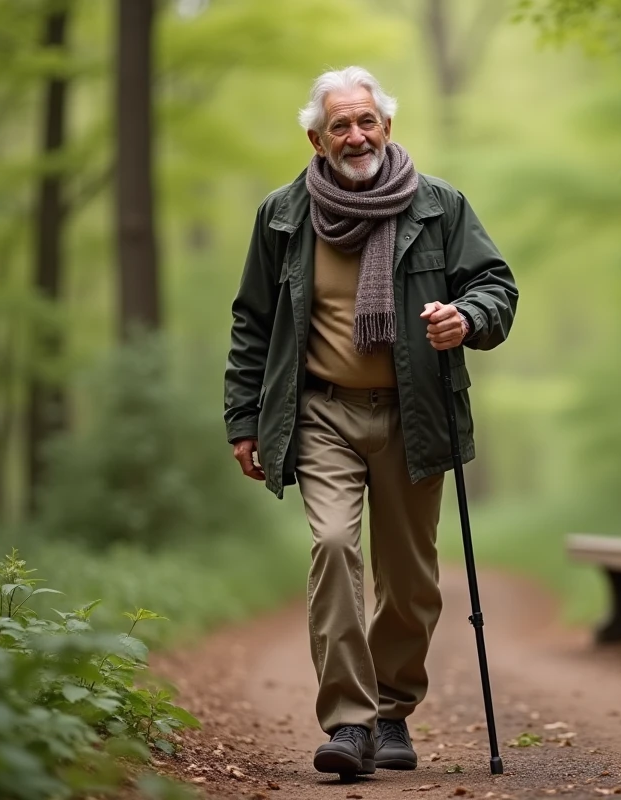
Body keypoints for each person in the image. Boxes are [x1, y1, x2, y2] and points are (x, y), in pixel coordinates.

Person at [222, 66, 518, 778]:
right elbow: (253, 322)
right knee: (331, 547)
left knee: (411, 581)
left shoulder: (439, 207)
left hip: (415, 412)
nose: (356, 136)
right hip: (320, 410)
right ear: (316, 138)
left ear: (387, 127)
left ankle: (392, 711)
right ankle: (350, 724)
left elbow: (495, 287)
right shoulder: (282, 215)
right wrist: (242, 418)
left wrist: (465, 318)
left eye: (367, 122)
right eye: (340, 126)